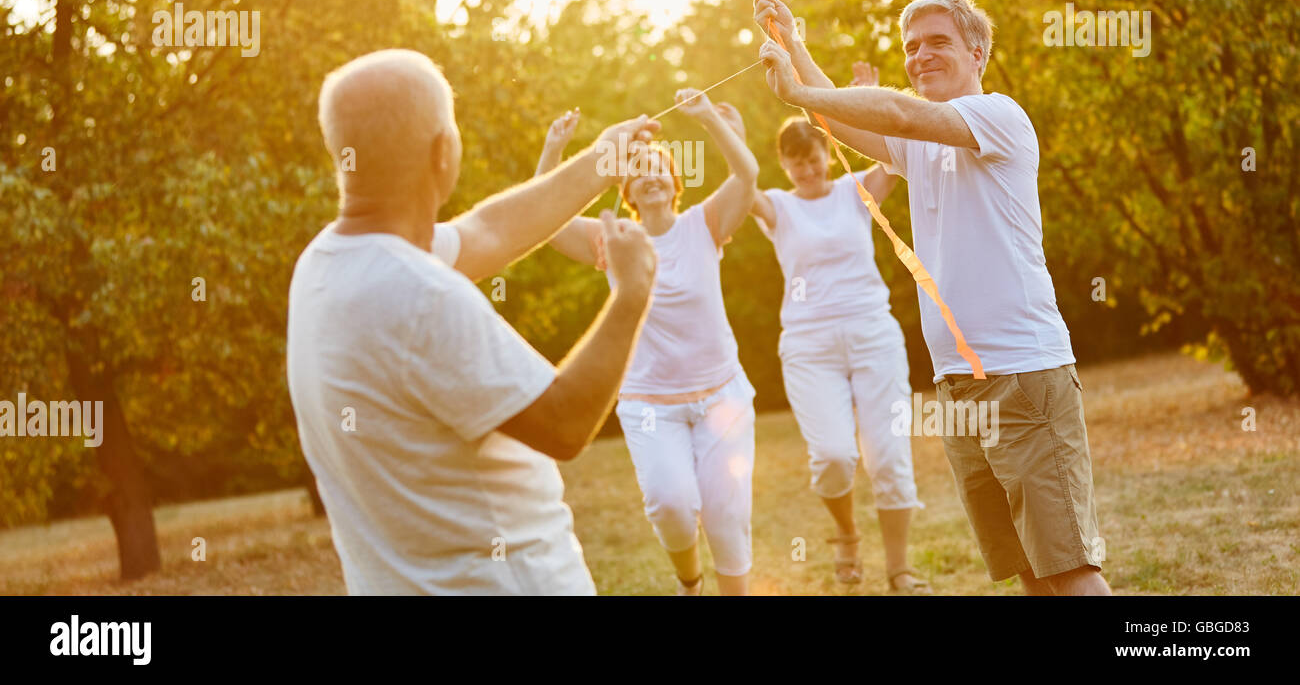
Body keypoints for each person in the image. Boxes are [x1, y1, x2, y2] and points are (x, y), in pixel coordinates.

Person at [754, 0, 1111, 595]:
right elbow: (839, 118)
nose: (921, 56)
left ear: (977, 51)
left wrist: (795, 90)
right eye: (911, 47)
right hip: (957, 385)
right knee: (1028, 567)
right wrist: (794, 45)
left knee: (1070, 570)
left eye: (938, 42)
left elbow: (893, 113)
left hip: (1023, 375)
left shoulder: (999, 115)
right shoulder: (916, 145)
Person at [287, 48, 660, 595]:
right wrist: (631, 293)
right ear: (443, 152)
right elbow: (565, 422)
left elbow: (487, 231)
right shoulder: (425, 299)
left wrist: (601, 161)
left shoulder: (324, 263)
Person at [536, 89, 759, 595]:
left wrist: (708, 120)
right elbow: (547, 222)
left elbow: (746, 175)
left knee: (727, 511)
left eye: (658, 166)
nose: (650, 174)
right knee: (670, 504)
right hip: (649, 404)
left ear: (674, 181)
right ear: (627, 192)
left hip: (721, 396)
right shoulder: (614, 240)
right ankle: (689, 581)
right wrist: (553, 152)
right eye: (637, 170)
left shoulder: (705, 225)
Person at [750, 62, 930, 592]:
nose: (807, 169)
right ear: (783, 164)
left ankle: (899, 568)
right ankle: (847, 535)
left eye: (814, 157)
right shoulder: (777, 208)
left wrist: (865, 98)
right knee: (833, 456)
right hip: (809, 345)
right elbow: (741, 186)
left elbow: (895, 150)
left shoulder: (857, 192)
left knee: (890, 456)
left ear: (827, 153)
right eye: (796, 161)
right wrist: (724, 129)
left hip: (872, 332)